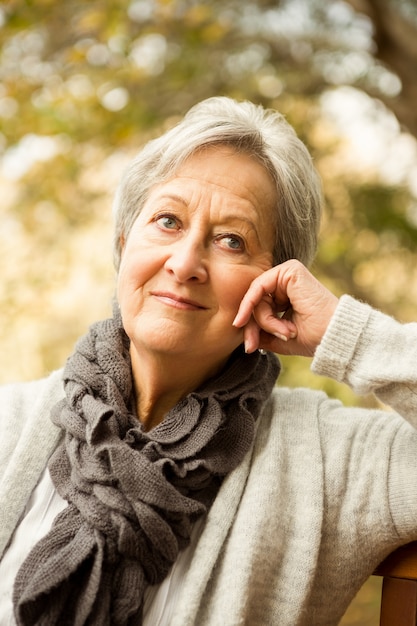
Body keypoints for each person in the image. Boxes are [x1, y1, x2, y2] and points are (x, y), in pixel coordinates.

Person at [0, 95, 416, 626]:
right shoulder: (10, 424)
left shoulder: (328, 459)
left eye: (231, 241)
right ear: (126, 245)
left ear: (276, 283)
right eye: (168, 221)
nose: (186, 263)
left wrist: (345, 335)